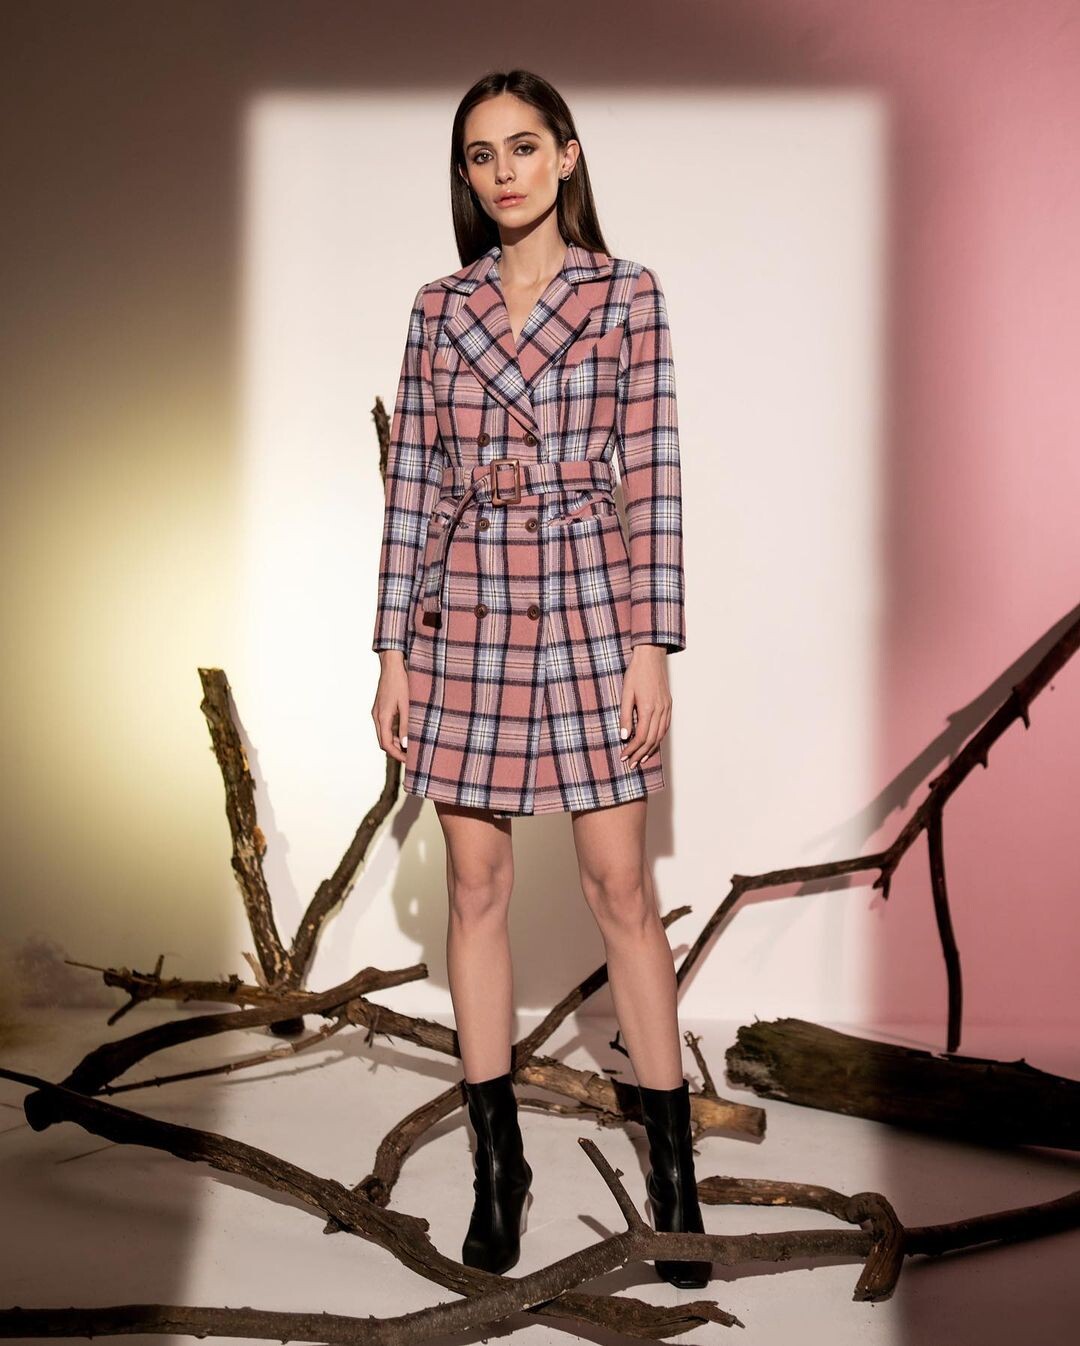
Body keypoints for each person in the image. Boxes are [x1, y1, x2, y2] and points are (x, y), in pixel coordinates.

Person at [371, 69, 708, 1288]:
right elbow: (415, 485)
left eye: (523, 147)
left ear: (567, 155)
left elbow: (652, 470)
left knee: (620, 887)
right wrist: (395, 647)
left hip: (590, 602)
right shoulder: (439, 307)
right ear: (465, 176)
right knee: (476, 885)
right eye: (480, 155)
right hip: (467, 613)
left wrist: (651, 640)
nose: (503, 172)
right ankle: (496, 1168)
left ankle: (674, 1179)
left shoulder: (628, 292)